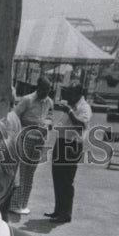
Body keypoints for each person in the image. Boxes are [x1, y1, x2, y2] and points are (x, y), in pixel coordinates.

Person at [45, 83, 92, 223]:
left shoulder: (84, 108)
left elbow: (81, 125)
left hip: (72, 145)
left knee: (66, 180)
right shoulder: (70, 106)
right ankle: (58, 210)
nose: (67, 97)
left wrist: (70, 112)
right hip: (61, 143)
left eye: (70, 94)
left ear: (78, 94)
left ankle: (66, 213)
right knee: (57, 177)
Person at [9, 77, 54, 216]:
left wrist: (47, 125)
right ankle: (15, 204)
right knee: (21, 172)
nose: (46, 92)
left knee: (30, 174)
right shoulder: (27, 100)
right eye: (43, 89)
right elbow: (15, 115)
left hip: (39, 140)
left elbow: (50, 118)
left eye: (48, 90)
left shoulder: (49, 102)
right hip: (25, 138)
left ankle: (23, 203)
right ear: (37, 87)